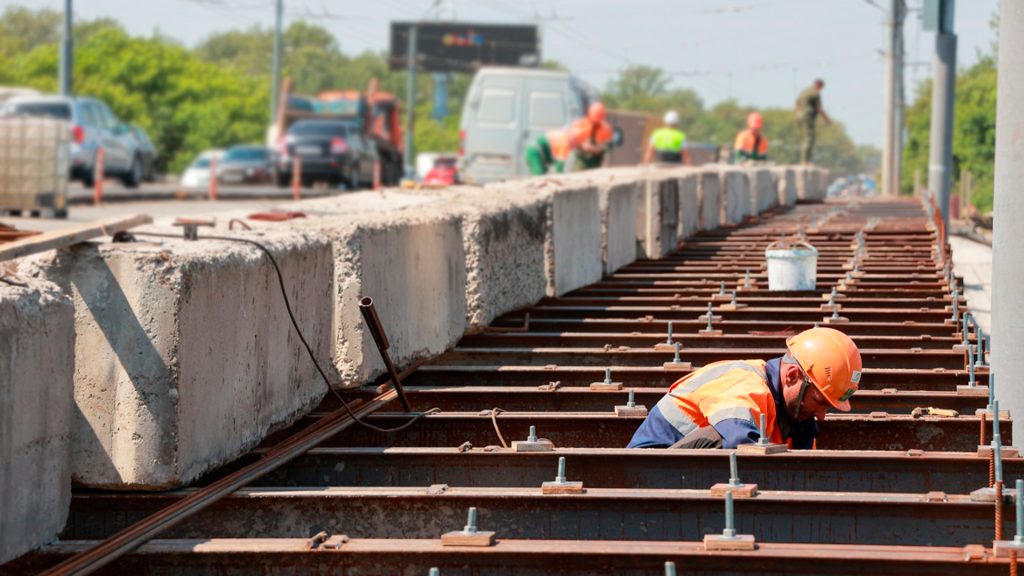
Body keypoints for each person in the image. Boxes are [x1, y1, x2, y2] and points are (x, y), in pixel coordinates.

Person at [627, 327, 861, 449]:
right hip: (648, 474)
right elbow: (741, 446)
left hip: (682, 475)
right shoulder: (746, 387)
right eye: (820, 402)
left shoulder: (797, 419)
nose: (822, 415)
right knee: (725, 438)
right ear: (792, 376)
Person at [795, 79, 831, 164]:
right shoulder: (815, 93)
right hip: (808, 117)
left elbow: (796, 104)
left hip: (800, 116)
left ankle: (804, 160)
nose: (821, 89)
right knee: (809, 138)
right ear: (819, 85)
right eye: (821, 87)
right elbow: (819, 108)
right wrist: (827, 119)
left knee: (805, 137)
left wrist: (798, 114)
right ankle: (805, 160)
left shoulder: (804, 91)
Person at [572, 101, 615, 170]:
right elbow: (574, 140)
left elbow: (607, 146)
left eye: (598, 120)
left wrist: (593, 148)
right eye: (594, 120)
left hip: (596, 164)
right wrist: (582, 144)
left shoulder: (606, 129)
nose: (596, 123)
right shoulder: (580, 125)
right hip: (581, 162)